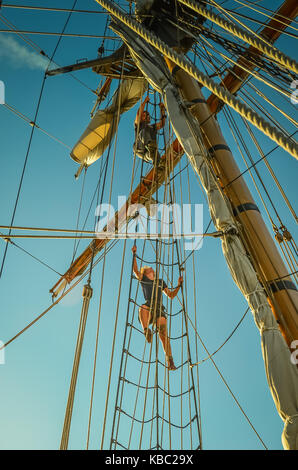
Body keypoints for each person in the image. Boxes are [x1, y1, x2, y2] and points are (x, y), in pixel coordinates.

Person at [131, 245, 183, 371]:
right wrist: (134, 255)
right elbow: (135, 270)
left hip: (159, 308)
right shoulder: (143, 278)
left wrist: (178, 285)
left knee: (163, 333)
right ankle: (146, 331)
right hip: (149, 306)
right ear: (145, 272)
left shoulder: (160, 282)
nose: (150, 268)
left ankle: (170, 360)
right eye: (148, 269)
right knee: (142, 307)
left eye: (151, 269)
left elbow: (170, 295)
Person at [133, 95, 166, 166]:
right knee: (143, 132)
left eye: (147, 115)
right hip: (140, 148)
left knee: (156, 156)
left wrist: (162, 110)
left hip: (147, 153)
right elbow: (139, 113)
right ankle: (151, 147)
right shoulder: (138, 124)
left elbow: (162, 124)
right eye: (144, 115)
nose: (146, 116)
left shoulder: (152, 127)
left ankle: (158, 167)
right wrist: (145, 101)